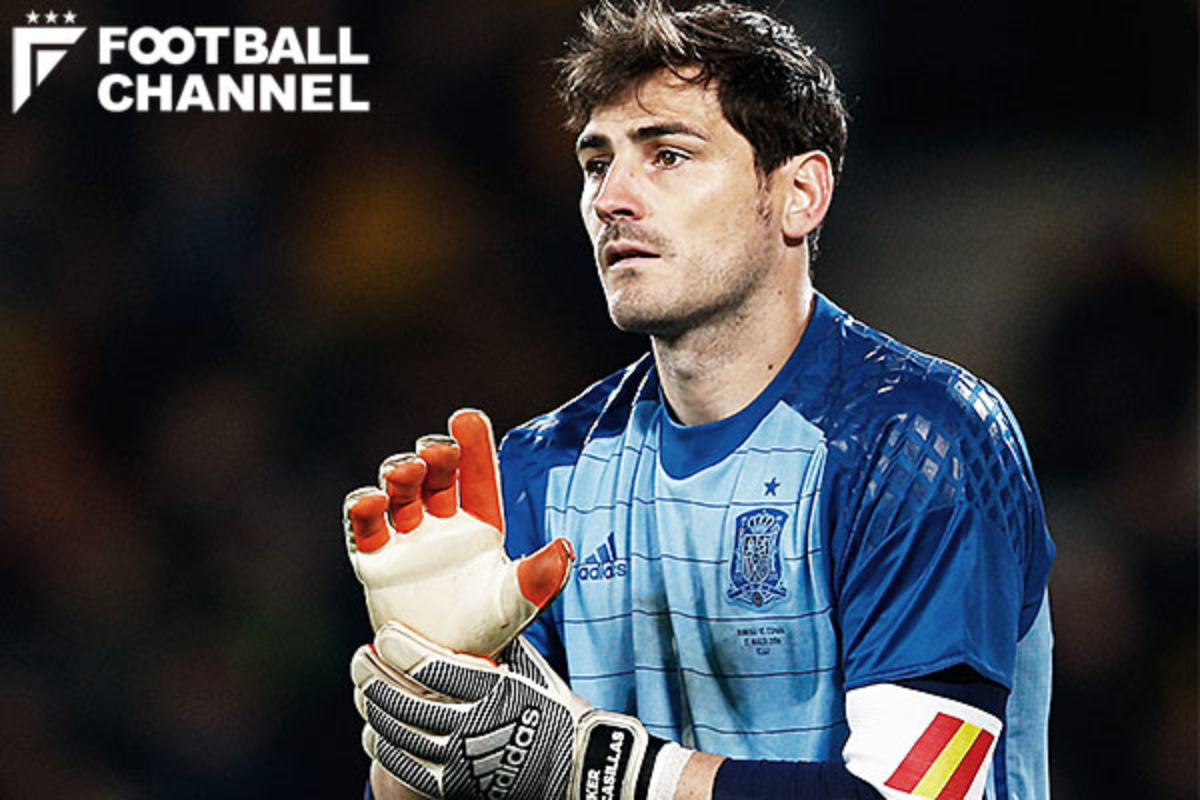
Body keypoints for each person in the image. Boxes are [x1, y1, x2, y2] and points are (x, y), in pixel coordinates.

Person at [343, 2, 1055, 799]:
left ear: (800, 193)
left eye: (668, 155)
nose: (612, 198)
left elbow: (915, 795)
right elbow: (470, 778)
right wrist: (434, 684)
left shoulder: (920, 442)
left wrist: (598, 766)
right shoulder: (542, 469)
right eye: (597, 164)